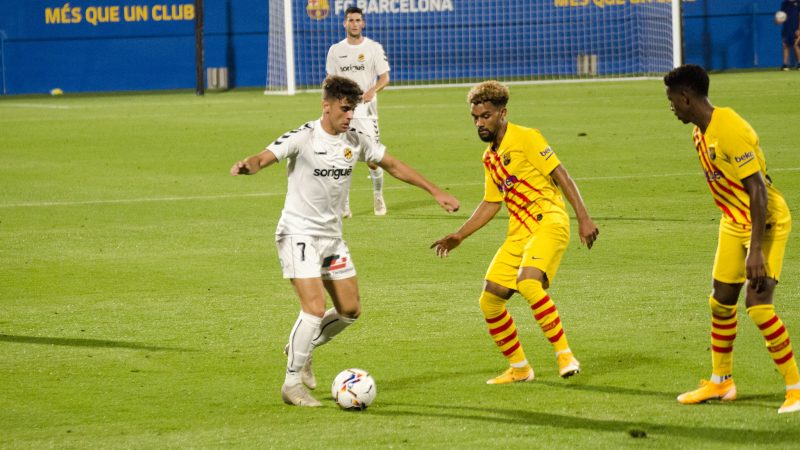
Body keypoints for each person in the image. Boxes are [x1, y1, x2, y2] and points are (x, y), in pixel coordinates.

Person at [230, 76, 460, 407]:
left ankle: (303, 347)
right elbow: (265, 156)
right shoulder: (305, 136)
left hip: (332, 238)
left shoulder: (356, 139)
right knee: (313, 309)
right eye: (344, 108)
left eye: (353, 109)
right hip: (298, 232)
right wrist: (248, 165)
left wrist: (435, 191)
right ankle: (292, 384)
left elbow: (392, 164)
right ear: (326, 105)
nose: (350, 115)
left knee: (350, 311)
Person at [431, 81, 599, 385]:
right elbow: (491, 203)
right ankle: (520, 368)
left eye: (486, 116)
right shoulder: (490, 157)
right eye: (475, 117)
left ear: (502, 113)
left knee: (529, 284)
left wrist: (583, 218)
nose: (480, 123)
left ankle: (565, 356)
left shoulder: (526, 137)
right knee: (490, 301)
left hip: (549, 221)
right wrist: (459, 235)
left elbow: (561, 175)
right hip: (519, 233)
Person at [664, 64, 800, 414]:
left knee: (759, 307)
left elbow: (758, 191)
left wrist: (754, 251)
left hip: (764, 223)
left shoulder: (730, 129)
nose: (671, 108)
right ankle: (721, 383)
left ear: (685, 97)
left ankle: (796, 388)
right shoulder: (700, 131)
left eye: (672, 101)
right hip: (733, 222)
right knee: (721, 301)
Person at [326, 6, 391, 217]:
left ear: (363, 23)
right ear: (344, 23)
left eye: (357, 20)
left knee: (373, 159)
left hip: (366, 113)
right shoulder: (335, 50)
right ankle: (344, 205)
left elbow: (385, 77)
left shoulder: (373, 48)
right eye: (350, 20)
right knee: (343, 157)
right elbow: (330, 81)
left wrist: (373, 89)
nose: (354, 24)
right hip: (343, 111)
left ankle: (378, 195)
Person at [778, 0, 800, 70]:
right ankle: (785, 65)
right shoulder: (784, 3)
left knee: (796, 45)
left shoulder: (798, 3)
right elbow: (781, 16)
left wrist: (799, 29)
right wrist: (778, 20)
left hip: (796, 28)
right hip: (787, 28)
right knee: (785, 45)